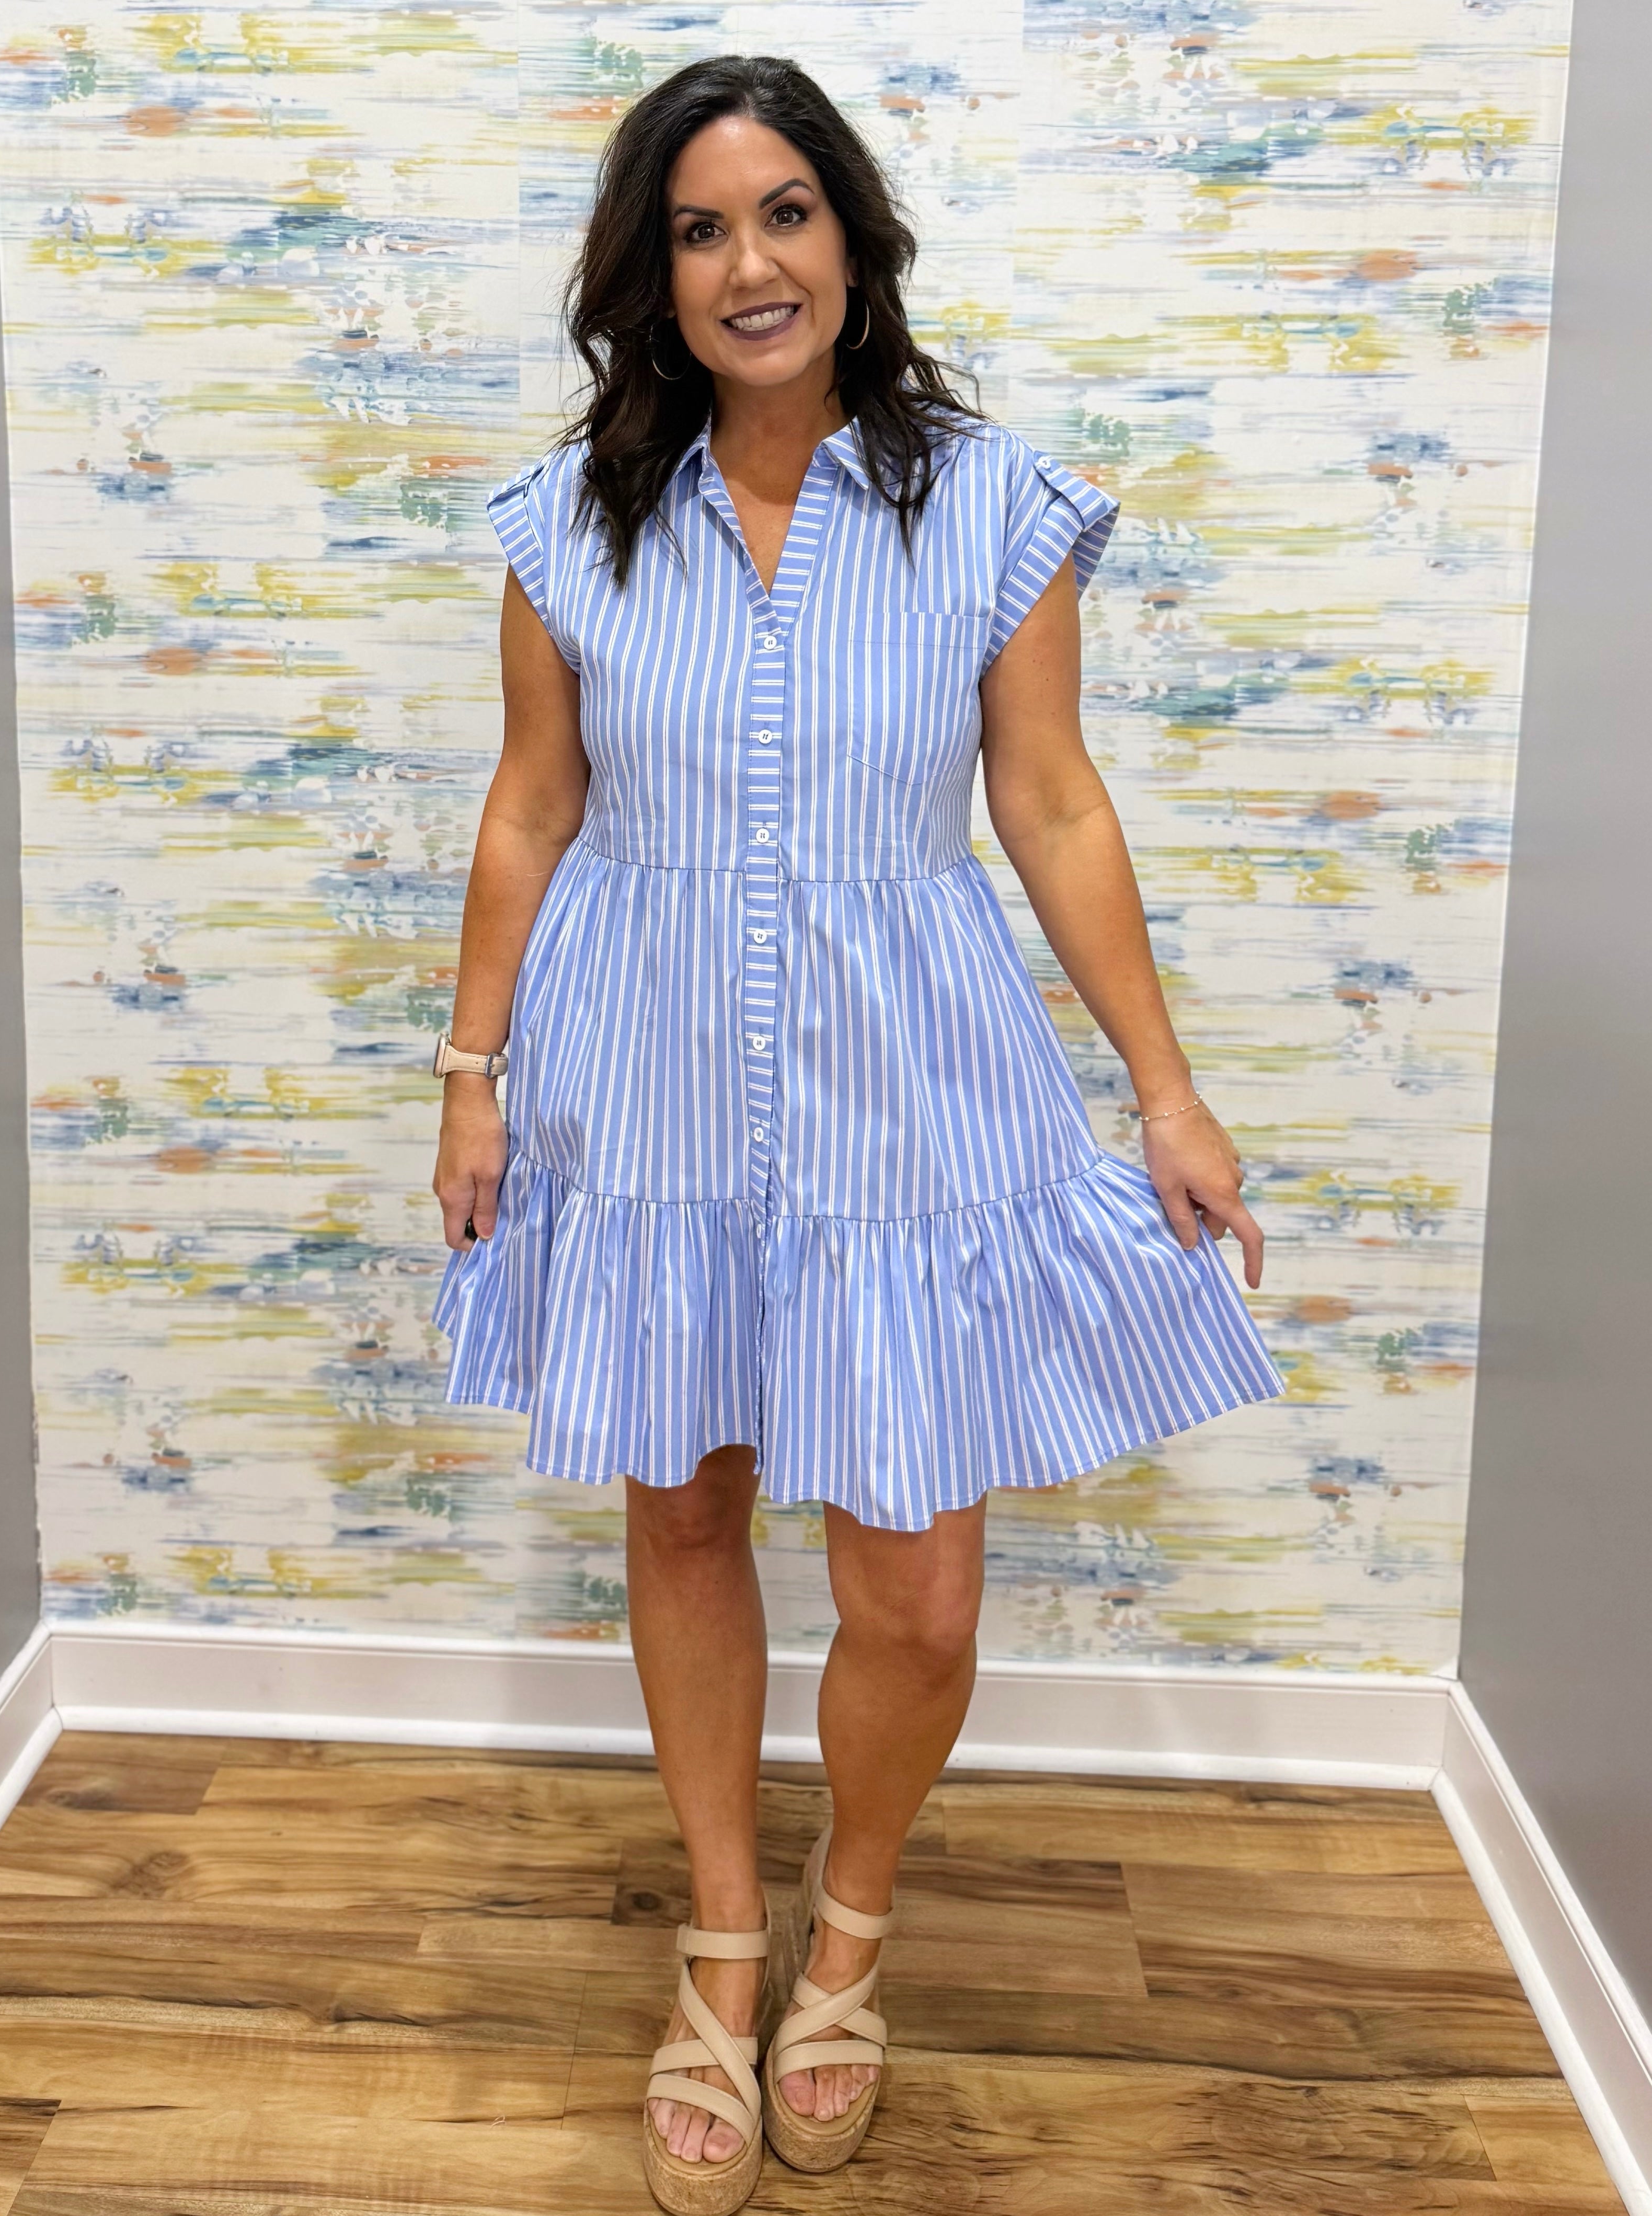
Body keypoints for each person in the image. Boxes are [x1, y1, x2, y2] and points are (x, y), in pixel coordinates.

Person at [429, 51, 1284, 2215]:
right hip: (640, 1080)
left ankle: (851, 1933)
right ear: (652, 273)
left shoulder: (987, 504)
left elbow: (1052, 799)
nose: (748, 262)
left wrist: (1164, 1096)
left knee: (910, 1580)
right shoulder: (568, 525)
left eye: (784, 212)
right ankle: (723, 1943)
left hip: (909, 1084)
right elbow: (533, 804)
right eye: (700, 227)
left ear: (851, 237)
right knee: (688, 1505)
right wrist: (469, 1072)